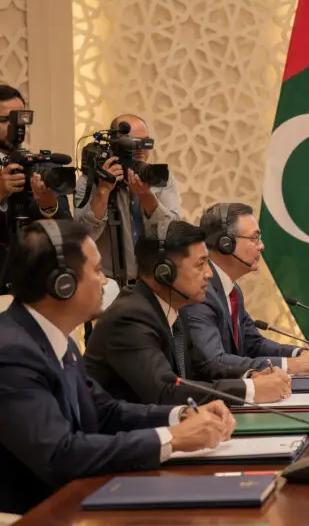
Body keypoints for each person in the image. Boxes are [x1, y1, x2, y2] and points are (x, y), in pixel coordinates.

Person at [0, 220, 234, 515]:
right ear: (63, 284)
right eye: (97, 270)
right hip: (34, 514)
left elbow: (105, 412)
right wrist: (172, 439)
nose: (105, 281)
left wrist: (180, 415)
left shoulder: (60, 342)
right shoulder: (11, 353)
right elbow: (60, 454)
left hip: (82, 498)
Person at [85, 220, 291, 405]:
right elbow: (165, 390)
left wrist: (252, 375)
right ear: (164, 273)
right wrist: (249, 390)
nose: (209, 273)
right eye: (200, 264)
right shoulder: (130, 318)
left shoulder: (174, 307)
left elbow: (203, 367)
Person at [185, 203, 309, 374]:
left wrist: (299, 353)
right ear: (226, 244)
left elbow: (254, 344)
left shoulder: (232, 291)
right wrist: (290, 365)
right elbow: (214, 361)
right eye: (254, 238)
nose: (261, 246)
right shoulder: (201, 292)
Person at [74, 113, 182, 282]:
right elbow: (84, 238)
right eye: (132, 143)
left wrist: (146, 196)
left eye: (145, 142)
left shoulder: (160, 179)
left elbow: (172, 235)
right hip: (108, 285)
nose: (140, 149)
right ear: (115, 144)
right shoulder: (90, 181)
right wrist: (103, 191)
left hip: (154, 282)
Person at [0, 85, 72, 290]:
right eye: (5, 119)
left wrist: (48, 206)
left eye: (19, 119)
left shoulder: (40, 166)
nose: (15, 126)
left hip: (35, 285)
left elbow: (66, 231)